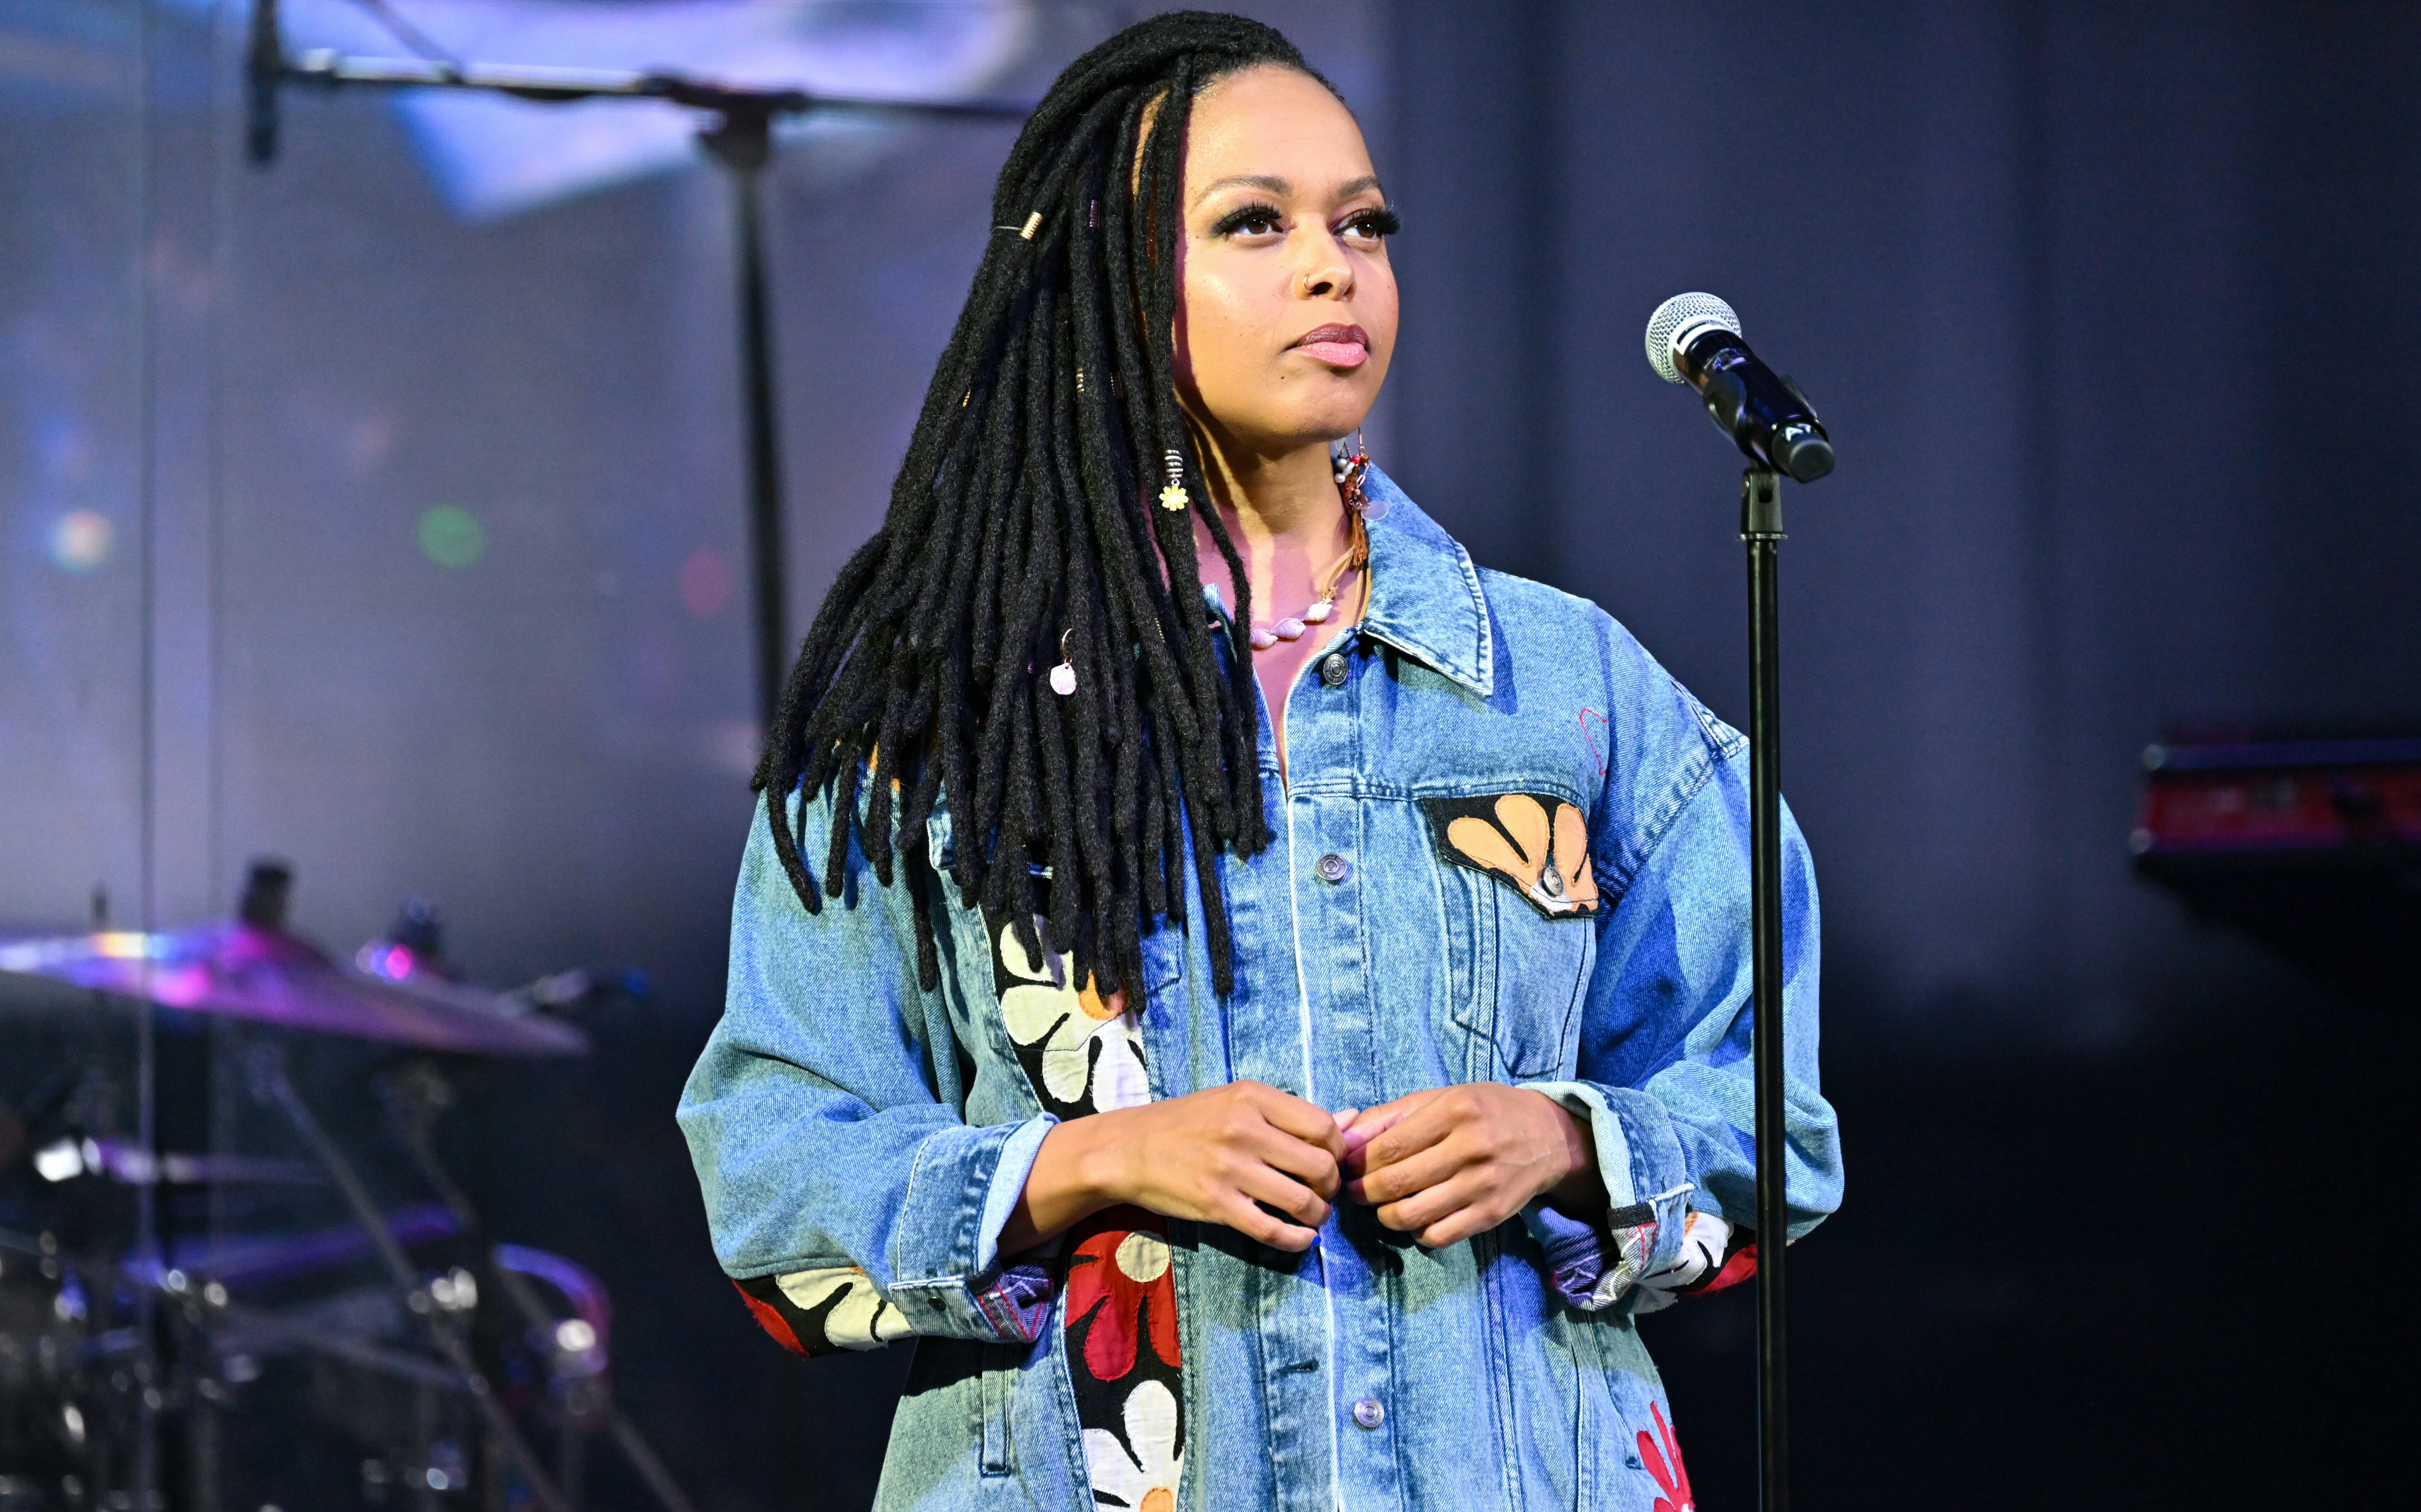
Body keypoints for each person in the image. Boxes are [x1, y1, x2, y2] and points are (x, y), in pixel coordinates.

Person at [677, 12, 1842, 1510]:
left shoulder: (1567, 688)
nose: (1331, 267)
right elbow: (772, 1174)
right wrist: (1090, 1163)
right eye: (1253, 224)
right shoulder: (939, 706)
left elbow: (1776, 1126)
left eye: (1363, 225)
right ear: (1104, 279)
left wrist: (1563, 1137)